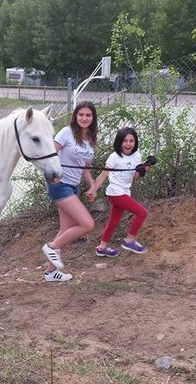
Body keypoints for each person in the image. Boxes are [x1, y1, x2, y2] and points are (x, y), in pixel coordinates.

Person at [42, 101, 98, 282]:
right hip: (60, 184)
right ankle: (52, 246)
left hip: (73, 186)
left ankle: (51, 273)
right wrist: (53, 173)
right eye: (81, 114)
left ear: (93, 118)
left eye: (88, 115)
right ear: (75, 116)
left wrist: (92, 185)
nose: (84, 118)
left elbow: (85, 167)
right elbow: (49, 154)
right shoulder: (66, 133)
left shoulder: (90, 138)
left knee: (66, 230)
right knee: (87, 224)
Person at [89, 127, 151, 256]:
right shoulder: (114, 157)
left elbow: (134, 178)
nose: (128, 144)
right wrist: (94, 189)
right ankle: (129, 240)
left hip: (124, 191)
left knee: (114, 221)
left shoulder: (137, 156)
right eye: (125, 141)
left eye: (131, 141)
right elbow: (103, 175)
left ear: (135, 142)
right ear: (119, 142)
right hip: (115, 192)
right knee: (142, 213)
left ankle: (102, 247)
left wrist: (143, 170)